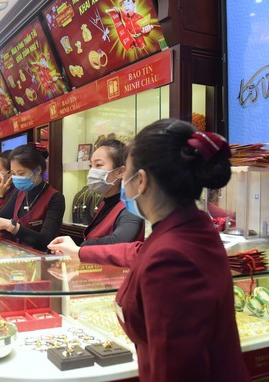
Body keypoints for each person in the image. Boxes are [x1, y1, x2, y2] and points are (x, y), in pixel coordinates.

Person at [49, 119, 249, 381]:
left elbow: (175, 369)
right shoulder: (191, 228)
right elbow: (137, 252)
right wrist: (80, 253)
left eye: (127, 175)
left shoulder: (172, 258)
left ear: (140, 180)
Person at [0, 143, 65, 251]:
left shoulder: (55, 198)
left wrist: (12, 226)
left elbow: (46, 241)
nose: (16, 178)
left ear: (37, 171)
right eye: (13, 173)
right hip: (18, 257)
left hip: (41, 261)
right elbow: (0, 218)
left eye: (21, 173)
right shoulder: (19, 192)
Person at [82, 139, 144, 245]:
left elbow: (118, 242)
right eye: (90, 166)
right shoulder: (104, 203)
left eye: (99, 165)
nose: (92, 171)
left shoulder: (130, 209)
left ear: (120, 172)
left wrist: (79, 248)